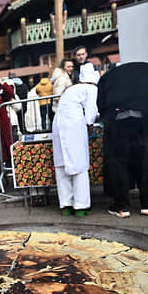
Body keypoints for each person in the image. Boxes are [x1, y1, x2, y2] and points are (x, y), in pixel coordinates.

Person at [97, 62, 148, 217]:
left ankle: (121, 206)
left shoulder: (107, 76)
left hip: (117, 118)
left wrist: (106, 116)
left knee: (118, 160)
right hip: (145, 117)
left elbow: (100, 104)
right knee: (146, 159)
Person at [52, 74, 97, 216]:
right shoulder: (92, 89)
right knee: (79, 164)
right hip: (74, 124)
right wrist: (90, 125)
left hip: (58, 124)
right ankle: (81, 206)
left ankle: (66, 204)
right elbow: (91, 112)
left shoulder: (73, 89)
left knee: (62, 164)